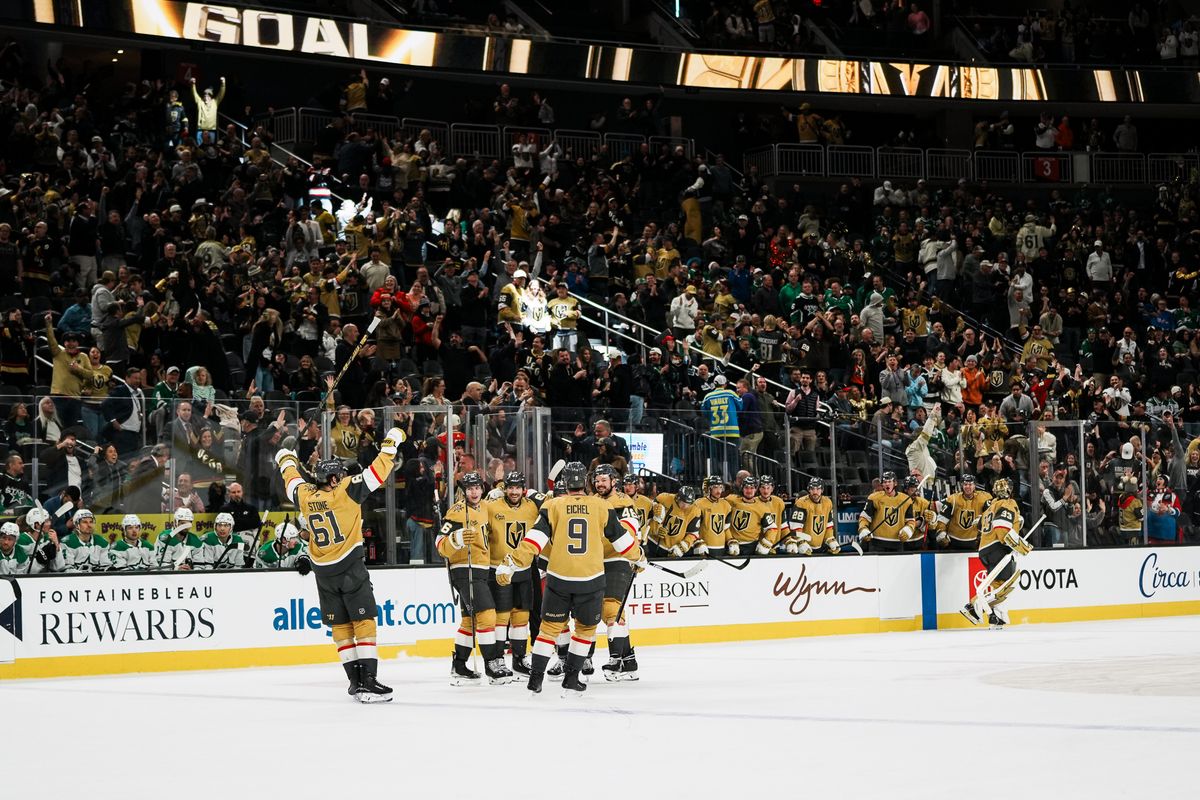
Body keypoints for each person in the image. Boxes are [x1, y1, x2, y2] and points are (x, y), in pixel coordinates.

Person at [275, 424, 404, 703]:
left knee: (341, 626)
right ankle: (369, 680)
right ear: (333, 478)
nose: (344, 476)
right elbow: (377, 472)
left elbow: (292, 481)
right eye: (341, 474)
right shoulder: (345, 490)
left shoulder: (307, 496)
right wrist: (392, 442)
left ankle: (354, 682)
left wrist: (285, 458)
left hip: (323, 572)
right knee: (364, 621)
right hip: (349, 567)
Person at [494, 461, 644, 696]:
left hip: (558, 578)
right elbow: (621, 540)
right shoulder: (600, 506)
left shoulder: (552, 505)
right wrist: (639, 557)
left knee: (549, 628)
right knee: (584, 630)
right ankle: (571, 679)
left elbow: (533, 541)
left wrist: (511, 563)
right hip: (591, 579)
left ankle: (535, 680)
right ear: (585, 481)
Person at [437, 471, 506, 685]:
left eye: (476, 487)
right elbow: (440, 543)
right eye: (469, 488)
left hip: (481, 570)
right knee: (487, 616)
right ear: (464, 491)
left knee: (469, 621)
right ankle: (492, 664)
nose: (473, 492)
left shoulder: (486, 507)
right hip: (464, 570)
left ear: (482, 489)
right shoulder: (457, 511)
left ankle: (459, 665)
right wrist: (457, 539)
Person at [482, 470, 545, 676]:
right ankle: (498, 659)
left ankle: (519, 659)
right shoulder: (492, 507)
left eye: (518, 487)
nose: (514, 491)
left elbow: (553, 507)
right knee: (501, 617)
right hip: (498, 569)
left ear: (523, 489)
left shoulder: (532, 507)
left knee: (521, 616)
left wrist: (539, 495)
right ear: (504, 488)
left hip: (524, 569)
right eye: (510, 487)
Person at [591, 464, 642, 681]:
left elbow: (630, 532)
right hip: (599, 562)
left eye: (604, 480)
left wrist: (635, 556)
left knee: (612, 609)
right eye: (597, 480)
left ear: (614, 481)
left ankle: (615, 660)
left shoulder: (623, 502)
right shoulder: (594, 501)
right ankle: (628, 661)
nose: (599, 484)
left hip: (618, 560)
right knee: (612, 611)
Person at [962, 478, 1030, 627]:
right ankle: (973, 606)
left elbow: (980, 524)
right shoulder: (1008, 504)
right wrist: (1020, 545)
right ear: (1009, 490)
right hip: (997, 549)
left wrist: (1017, 522)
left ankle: (994, 617)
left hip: (984, 549)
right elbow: (1002, 529)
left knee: (997, 585)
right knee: (1004, 587)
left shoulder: (990, 506)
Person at [857, 471, 916, 553]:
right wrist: (863, 528)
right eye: (885, 482)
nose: (887, 484)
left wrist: (908, 530)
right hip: (877, 543)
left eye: (889, 481)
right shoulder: (874, 498)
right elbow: (864, 517)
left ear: (895, 483)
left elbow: (911, 521)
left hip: (897, 543)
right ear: (882, 484)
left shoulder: (906, 500)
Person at [933, 474, 993, 550]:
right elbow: (942, 519)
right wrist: (941, 531)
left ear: (974, 486)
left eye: (970, 484)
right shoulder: (953, 499)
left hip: (974, 542)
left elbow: (990, 515)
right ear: (961, 485)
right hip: (954, 542)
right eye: (965, 484)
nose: (968, 487)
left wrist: (982, 520)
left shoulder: (984, 498)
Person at [725, 476, 778, 556]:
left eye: (752, 488)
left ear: (756, 489)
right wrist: (730, 539)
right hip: (731, 545)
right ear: (742, 488)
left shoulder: (763, 508)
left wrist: (766, 543)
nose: (749, 491)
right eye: (746, 487)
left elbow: (772, 528)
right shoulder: (731, 500)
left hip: (751, 547)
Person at [787, 477, 839, 555]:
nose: (815, 492)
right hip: (804, 548)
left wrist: (830, 539)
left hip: (820, 547)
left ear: (822, 490)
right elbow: (795, 526)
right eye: (812, 489)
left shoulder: (827, 502)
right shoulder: (801, 503)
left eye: (818, 489)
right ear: (809, 490)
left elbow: (828, 525)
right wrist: (801, 542)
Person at [650, 485, 701, 557]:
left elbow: (693, 533)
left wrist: (682, 547)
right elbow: (649, 518)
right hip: (654, 544)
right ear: (678, 498)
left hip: (675, 548)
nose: (685, 506)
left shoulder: (695, 511)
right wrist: (657, 528)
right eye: (683, 503)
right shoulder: (664, 498)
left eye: (688, 504)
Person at [692, 475, 731, 556]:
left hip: (721, 548)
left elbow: (726, 528)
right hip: (704, 548)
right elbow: (693, 529)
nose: (719, 491)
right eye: (715, 487)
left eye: (720, 487)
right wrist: (698, 542)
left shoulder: (726, 505)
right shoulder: (699, 503)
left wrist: (731, 540)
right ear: (709, 488)